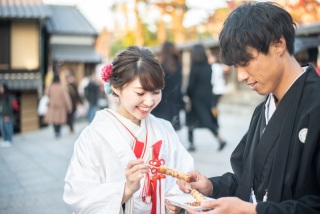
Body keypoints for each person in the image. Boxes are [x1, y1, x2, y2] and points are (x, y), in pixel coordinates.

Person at [177, 2, 320, 214]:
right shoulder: (261, 112)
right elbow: (251, 183)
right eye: (236, 67)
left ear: (278, 44)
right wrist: (213, 187)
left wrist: (254, 211)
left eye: (246, 62)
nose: (241, 76)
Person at [63, 46, 194, 214]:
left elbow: (183, 170)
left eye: (156, 92)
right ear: (117, 88)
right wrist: (125, 190)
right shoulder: (94, 137)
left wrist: (176, 197)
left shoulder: (164, 129)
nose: (149, 101)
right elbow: (77, 195)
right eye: (140, 93)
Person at [186, 44, 226, 152]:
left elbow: (191, 85)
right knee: (208, 120)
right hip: (207, 98)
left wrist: (187, 95)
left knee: (191, 122)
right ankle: (220, 139)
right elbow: (210, 84)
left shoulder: (194, 68)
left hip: (195, 99)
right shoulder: (208, 67)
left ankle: (192, 144)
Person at [152, 41, 184, 131]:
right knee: (171, 127)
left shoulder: (160, 66)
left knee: (160, 125)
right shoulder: (178, 64)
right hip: (174, 99)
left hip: (162, 99)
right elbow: (179, 83)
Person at [44, 73, 72, 139]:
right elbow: (66, 97)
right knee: (59, 120)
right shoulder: (62, 87)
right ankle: (58, 132)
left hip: (52, 106)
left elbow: (47, 94)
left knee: (54, 120)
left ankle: (56, 132)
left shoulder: (50, 86)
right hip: (60, 106)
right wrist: (69, 106)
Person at [0, 83, 19, 147]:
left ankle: (9, 140)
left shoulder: (9, 96)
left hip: (8, 115)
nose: (0, 89)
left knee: (8, 127)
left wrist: (8, 115)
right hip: (2, 114)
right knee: (3, 128)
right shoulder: (1, 96)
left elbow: (14, 107)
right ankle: (5, 139)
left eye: (1, 88)